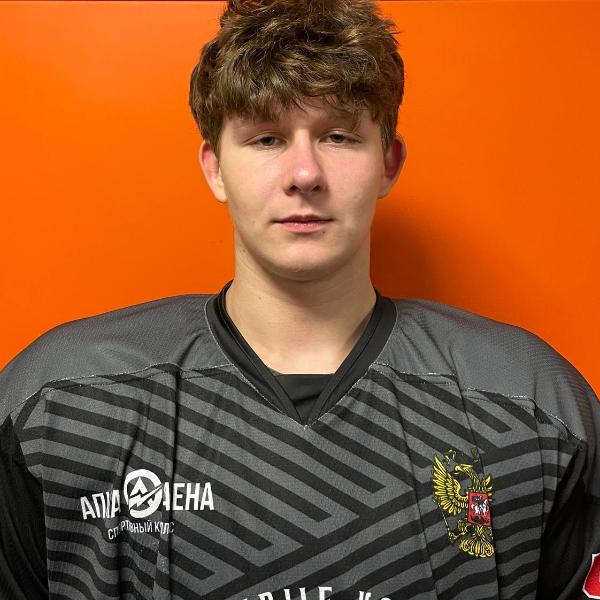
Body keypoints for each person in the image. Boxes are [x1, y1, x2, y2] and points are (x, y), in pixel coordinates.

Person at [1, 0, 599, 598]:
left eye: (339, 136)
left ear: (388, 163)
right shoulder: (59, 403)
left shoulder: (531, 405)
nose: (305, 174)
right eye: (266, 138)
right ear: (215, 167)